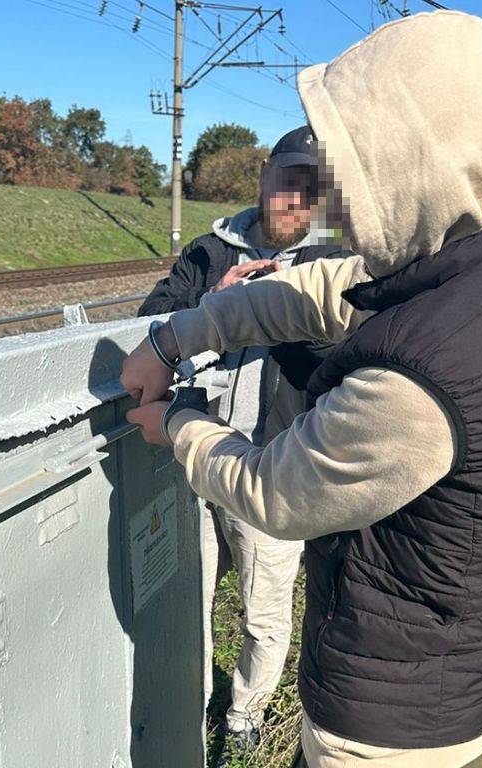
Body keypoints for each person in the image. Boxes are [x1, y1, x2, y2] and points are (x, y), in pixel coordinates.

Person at [121, 11, 482, 768]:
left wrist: (178, 421)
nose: (333, 204)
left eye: (354, 169)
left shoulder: (421, 384)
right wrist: (181, 332)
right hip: (472, 655)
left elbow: (277, 491)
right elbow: (334, 288)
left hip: (393, 728)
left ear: (418, 160)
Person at [139, 127, 346, 764]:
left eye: (311, 193)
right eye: (288, 184)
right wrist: (216, 304)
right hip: (190, 451)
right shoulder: (207, 250)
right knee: (186, 600)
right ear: (265, 178)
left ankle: (244, 715)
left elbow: (339, 363)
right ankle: (194, 696)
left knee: (264, 609)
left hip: (272, 463)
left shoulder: (330, 265)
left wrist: (271, 309)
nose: (295, 204)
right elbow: (151, 318)